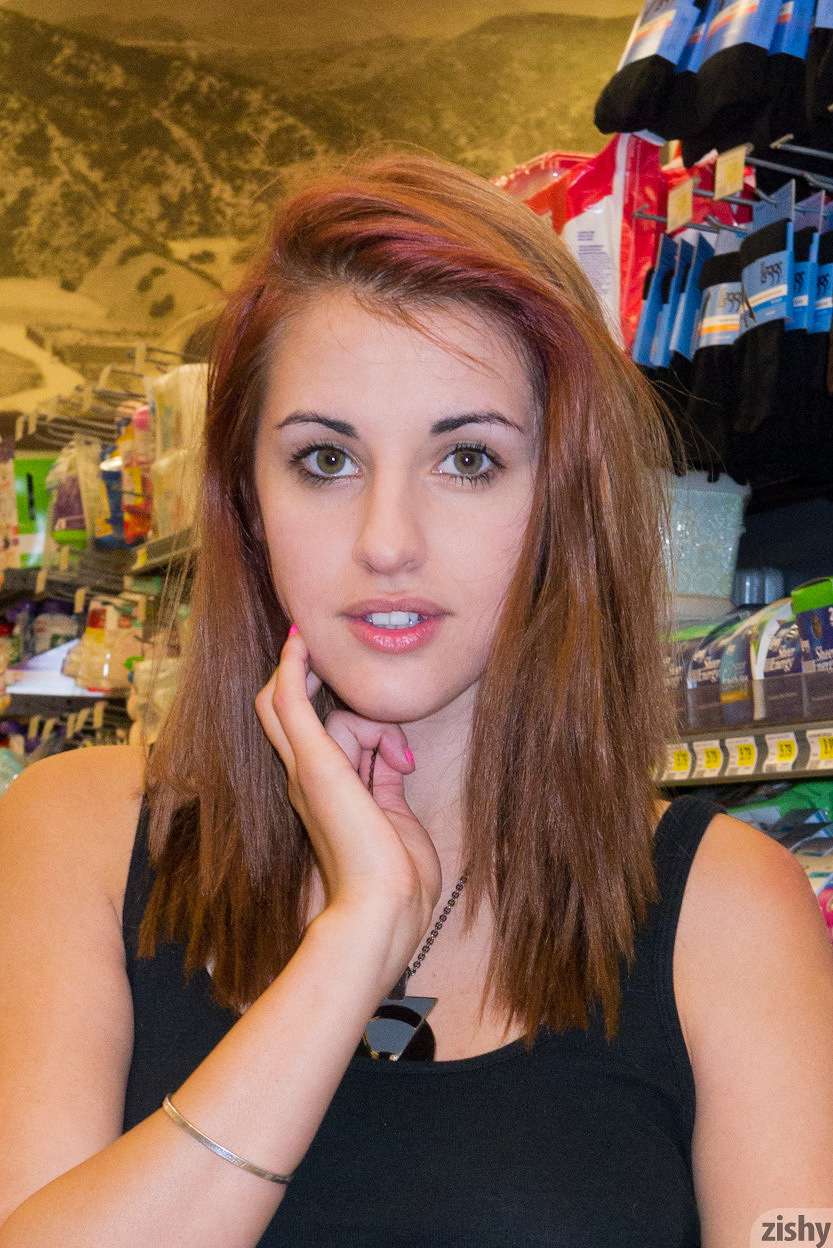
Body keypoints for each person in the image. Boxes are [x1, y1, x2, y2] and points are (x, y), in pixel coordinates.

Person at [1, 150, 831, 1248]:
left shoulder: (728, 908)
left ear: (564, 500)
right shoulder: (83, 835)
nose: (387, 541)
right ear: (248, 499)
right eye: (325, 461)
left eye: (469, 461)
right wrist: (358, 935)